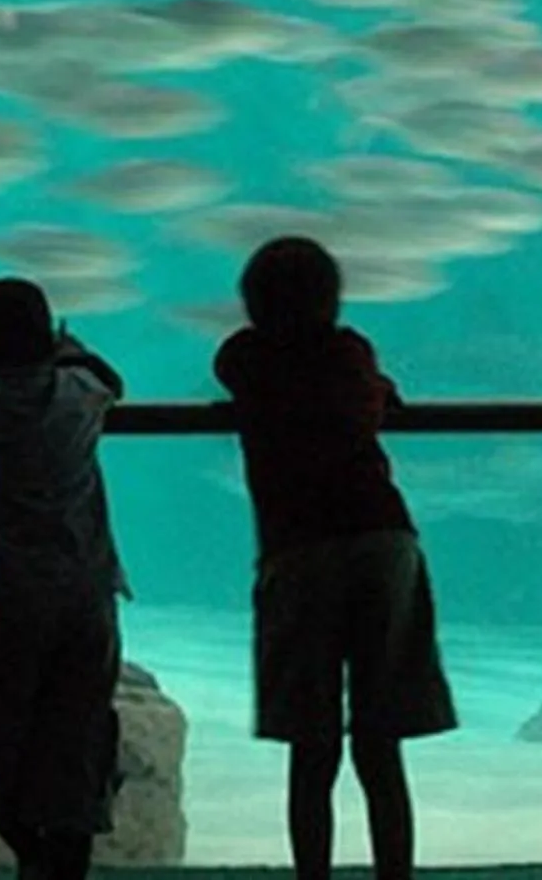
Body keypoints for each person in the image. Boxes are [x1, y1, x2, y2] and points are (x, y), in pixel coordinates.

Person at [214, 236, 457, 880]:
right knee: (382, 741)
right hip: (383, 539)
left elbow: (232, 363)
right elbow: (358, 397)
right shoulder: (353, 355)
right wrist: (378, 385)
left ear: (251, 305)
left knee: (310, 744)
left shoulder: (246, 357)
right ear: (335, 300)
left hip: (299, 553)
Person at [0, 277, 128, 880]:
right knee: (74, 750)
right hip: (85, 600)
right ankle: (57, 864)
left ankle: (32, 855)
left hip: (1, 600)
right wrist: (72, 349)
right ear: (50, 336)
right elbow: (111, 381)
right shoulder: (79, 395)